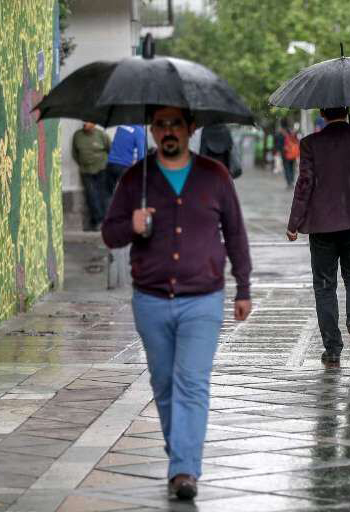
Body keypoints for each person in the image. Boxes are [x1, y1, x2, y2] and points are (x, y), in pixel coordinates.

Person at [101, 106, 252, 501]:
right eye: (160, 125)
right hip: (150, 301)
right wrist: (130, 225)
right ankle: (180, 455)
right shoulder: (136, 179)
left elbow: (235, 233)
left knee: (192, 383)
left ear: (191, 128)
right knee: (164, 384)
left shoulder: (215, 177)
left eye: (175, 124)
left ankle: (184, 469)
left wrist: (244, 288)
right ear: (152, 131)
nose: (168, 132)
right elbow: (109, 234)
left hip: (203, 299)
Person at [286, 106, 350, 368]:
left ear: (322, 112)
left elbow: (304, 184)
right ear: (348, 109)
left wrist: (294, 222)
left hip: (322, 226)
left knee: (324, 286)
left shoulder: (310, 143)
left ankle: (332, 350)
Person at [72, 121, 110, 230]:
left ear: (94, 124)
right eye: (84, 122)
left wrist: (104, 163)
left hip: (101, 168)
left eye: (88, 122)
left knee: (103, 194)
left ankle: (105, 220)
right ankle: (98, 220)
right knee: (91, 196)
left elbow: (109, 148)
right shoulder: (77, 135)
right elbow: (75, 153)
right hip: (86, 170)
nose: (85, 124)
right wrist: (82, 163)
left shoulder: (101, 134)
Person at [104, 124, 146, 209]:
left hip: (110, 163)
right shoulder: (139, 131)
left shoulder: (121, 127)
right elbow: (141, 156)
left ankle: (108, 217)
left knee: (108, 193)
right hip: (123, 166)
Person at [278, 119, 299, 188]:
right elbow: (296, 140)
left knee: (287, 168)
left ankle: (289, 182)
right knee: (291, 167)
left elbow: (280, 143)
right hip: (292, 153)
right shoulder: (291, 131)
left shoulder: (281, 132)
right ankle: (292, 181)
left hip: (285, 153)